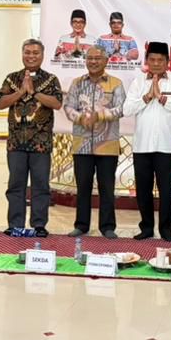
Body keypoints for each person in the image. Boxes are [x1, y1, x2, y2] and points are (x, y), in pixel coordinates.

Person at [0, 39, 63, 237]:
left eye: (35, 53)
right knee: (15, 186)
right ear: (22, 54)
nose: (31, 56)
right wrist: (21, 92)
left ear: (42, 56)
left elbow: (57, 103)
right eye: (27, 52)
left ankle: (39, 225)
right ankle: (15, 224)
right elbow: (1, 103)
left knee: (40, 186)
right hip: (16, 144)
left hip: (41, 144)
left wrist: (34, 92)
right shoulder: (12, 78)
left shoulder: (51, 79)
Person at [64, 47, 126, 238]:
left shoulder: (116, 83)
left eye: (97, 58)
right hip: (81, 145)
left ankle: (107, 227)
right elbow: (68, 107)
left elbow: (121, 108)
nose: (93, 61)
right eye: (89, 58)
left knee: (107, 187)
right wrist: (80, 118)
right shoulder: (77, 83)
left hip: (107, 144)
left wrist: (100, 115)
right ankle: (81, 225)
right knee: (82, 186)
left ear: (106, 61)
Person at [124, 41, 171, 241]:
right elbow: (127, 110)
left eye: (160, 60)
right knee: (143, 190)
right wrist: (148, 97)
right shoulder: (138, 82)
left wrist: (162, 98)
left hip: (166, 146)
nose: (156, 63)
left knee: (166, 191)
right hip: (142, 146)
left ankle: (166, 229)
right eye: (152, 59)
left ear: (168, 62)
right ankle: (146, 227)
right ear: (147, 61)